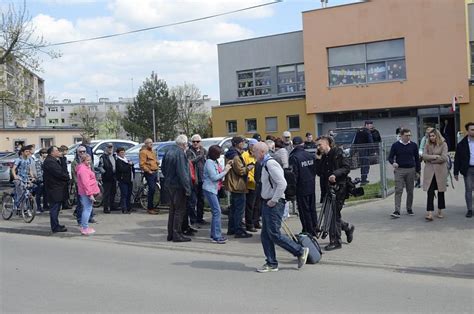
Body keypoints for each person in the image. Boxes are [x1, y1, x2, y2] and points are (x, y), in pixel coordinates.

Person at [253, 142, 309, 272]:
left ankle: (300, 251)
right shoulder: (265, 164)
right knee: (266, 235)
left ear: (262, 152)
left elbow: (282, 183)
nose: (253, 154)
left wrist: (274, 200)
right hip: (267, 202)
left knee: (274, 234)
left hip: (273, 204)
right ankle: (271, 263)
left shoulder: (270, 164)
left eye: (255, 151)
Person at [315, 136, 354, 251]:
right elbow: (319, 173)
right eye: (317, 145)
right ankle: (347, 227)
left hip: (339, 188)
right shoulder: (323, 157)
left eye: (319, 145)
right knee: (333, 215)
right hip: (328, 189)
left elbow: (346, 167)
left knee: (333, 215)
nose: (318, 147)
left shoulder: (338, 153)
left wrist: (335, 174)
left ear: (327, 144)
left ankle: (336, 241)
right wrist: (317, 160)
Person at [162, 135, 193, 242]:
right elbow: (183, 172)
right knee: (179, 210)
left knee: (173, 210)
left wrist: (168, 179)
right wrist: (188, 188)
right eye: (187, 144)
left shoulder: (169, 151)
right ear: (184, 144)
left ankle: (170, 234)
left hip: (169, 184)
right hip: (178, 186)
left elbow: (163, 168)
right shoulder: (180, 154)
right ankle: (177, 234)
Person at [224, 136, 253, 238]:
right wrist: (249, 167)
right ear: (237, 144)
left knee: (233, 209)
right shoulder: (235, 156)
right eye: (242, 142)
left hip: (233, 184)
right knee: (239, 210)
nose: (244, 144)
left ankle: (232, 229)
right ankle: (238, 230)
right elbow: (240, 171)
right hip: (238, 185)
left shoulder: (230, 154)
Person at [388, 128, 421, 218]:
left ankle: (409, 208)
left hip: (411, 170)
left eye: (410, 135)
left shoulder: (413, 145)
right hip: (399, 170)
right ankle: (397, 210)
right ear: (401, 135)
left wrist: (418, 171)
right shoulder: (396, 145)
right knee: (398, 189)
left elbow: (417, 159)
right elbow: (390, 157)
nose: (408, 137)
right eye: (406, 135)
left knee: (410, 190)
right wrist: (393, 163)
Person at [203, 145, 232, 244]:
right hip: (210, 189)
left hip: (214, 189)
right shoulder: (209, 163)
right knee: (217, 212)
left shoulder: (214, 162)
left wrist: (226, 166)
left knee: (216, 212)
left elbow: (219, 172)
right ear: (214, 154)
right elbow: (214, 177)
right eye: (219, 154)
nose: (220, 156)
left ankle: (214, 234)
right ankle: (217, 236)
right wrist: (226, 170)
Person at [289, 136, 318, 236]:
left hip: (301, 187)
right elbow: (314, 170)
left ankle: (308, 230)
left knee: (304, 210)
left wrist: (292, 189)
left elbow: (294, 175)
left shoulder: (294, 157)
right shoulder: (309, 155)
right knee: (312, 208)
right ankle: (315, 227)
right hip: (311, 185)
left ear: (293, 144)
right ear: (302, 144)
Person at [422, 129, 448, 221]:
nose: (431, 138)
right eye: (430, 136)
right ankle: (429, 213)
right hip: (430, 172)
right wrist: (435, 156)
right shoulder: (427, 144)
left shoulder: (443, 144)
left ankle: (440, 210)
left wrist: (431, 160)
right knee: (430, 192)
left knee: (441, 192)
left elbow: (444, 158)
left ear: (437, 136)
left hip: (440, 171)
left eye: (433, 136)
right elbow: (424, 156)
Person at [43, 146, 70, 233]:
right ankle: (55, 227)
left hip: (57, 188)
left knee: (57, 208)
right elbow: (60, 173)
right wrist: (66, 177)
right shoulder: (50, 162)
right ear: (51, 153)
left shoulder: (54, 160)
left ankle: (56, 224)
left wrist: (62, 160)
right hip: (54, 188)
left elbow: (62, 170)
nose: (59, 152)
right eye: (57, 150)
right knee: (54, 208)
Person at [76, 153, 100, 235]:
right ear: (83, 160)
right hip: (86, 192)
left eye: (90, 160)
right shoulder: (83, 170)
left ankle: (84, 226)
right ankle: (85, 228)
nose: (89, 162)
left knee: (87, 209)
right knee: (87, 209)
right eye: (87, 160)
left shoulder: (84, 167)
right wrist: (90, 194)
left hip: (86, 191)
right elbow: (85, 183)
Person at [454, 122, 474, 218]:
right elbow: (457, 158)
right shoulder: (462, 144)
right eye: (472, 130)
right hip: (468, 169)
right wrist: (456, 172)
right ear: (468, 131)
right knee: (469, 189)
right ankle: (470, 209)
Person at [186, 134, 207, 225]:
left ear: (200, 142)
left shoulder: (204, 150)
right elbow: (190, 162)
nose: (195, 143)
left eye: (197, 141)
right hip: (193, 179)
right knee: (192, 201)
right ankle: (193, 220)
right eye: (193, 141)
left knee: (201, 200)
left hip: (202, 178)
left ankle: (200, 218)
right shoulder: (189, 151)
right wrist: (200, 156)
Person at [139, 138, 159, 215]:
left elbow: (154, 160)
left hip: (155, 172)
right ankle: (149, 208)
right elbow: (142, 164)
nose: (151, 144)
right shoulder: (143, 152)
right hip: (149, 173)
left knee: (154, 190)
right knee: (151, 189)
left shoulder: (153, 152)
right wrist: (148, 171)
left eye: (151, 142)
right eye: (149, 143)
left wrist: (157, 163)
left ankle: (153, 207)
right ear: (146, 144)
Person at [242, 138, 258, 232]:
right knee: (249, 205)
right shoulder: (245, 155)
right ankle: (249, 224)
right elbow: (243, 169)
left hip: (257, 183)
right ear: (250, 146)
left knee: (257, 205)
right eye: (254, 146)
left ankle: (255, 221)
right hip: (249, 184)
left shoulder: (257, 155)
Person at [98, 143, 117, 213]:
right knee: (106, 193)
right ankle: (105, 208)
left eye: (111, 147)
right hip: (106, 178)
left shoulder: (114, 156)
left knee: (113, 192)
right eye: (109, 147)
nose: (110, 149)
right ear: (106, 148)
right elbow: (100, 167)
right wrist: (105, 173)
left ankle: (112, 206)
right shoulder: (103, 157)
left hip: (113, 177)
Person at [354, 121, 374, 185]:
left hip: (360, 150)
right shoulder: (367, 131)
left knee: (362, 165)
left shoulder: (359, 131)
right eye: (370, 125)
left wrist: (355, 149)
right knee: (366, 165)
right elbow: (370, 141)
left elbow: (355, 141)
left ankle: (363, 178)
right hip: (366, 149)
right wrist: (373, 150)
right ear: (366, 125)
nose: (371, 126)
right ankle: (364, 180)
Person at [115, 147, 134, 214]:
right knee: (124, 194)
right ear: (118, 153)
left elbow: (131, 168)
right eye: (121, 152)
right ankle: (124, 208)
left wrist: (132, 165)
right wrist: (129, 165)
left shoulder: (126, 160)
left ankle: (129, 207)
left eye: (123, 152)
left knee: (129, 194)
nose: (123, 154)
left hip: (129, 179)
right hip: (123, 180)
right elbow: (122, 169)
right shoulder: (118, 161)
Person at [33, 148, 48, 213]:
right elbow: (38, 171)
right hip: (40, 180)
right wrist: (40, 179)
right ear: (42, 154)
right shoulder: (38, 161)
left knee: (45, 193)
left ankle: (45, 205)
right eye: (45, 153)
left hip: (45, 179)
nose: (46, 154)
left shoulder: (45, 161)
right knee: (38, 194)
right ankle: (38, 207)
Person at [59, 145, 72, 209]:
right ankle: (63, 204)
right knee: (63, 191)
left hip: (65, 174)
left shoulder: (64, 158)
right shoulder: (60, 158)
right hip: (62, 175)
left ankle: (65, 204)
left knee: (66, 191)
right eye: (66, 151)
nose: (67, 152)